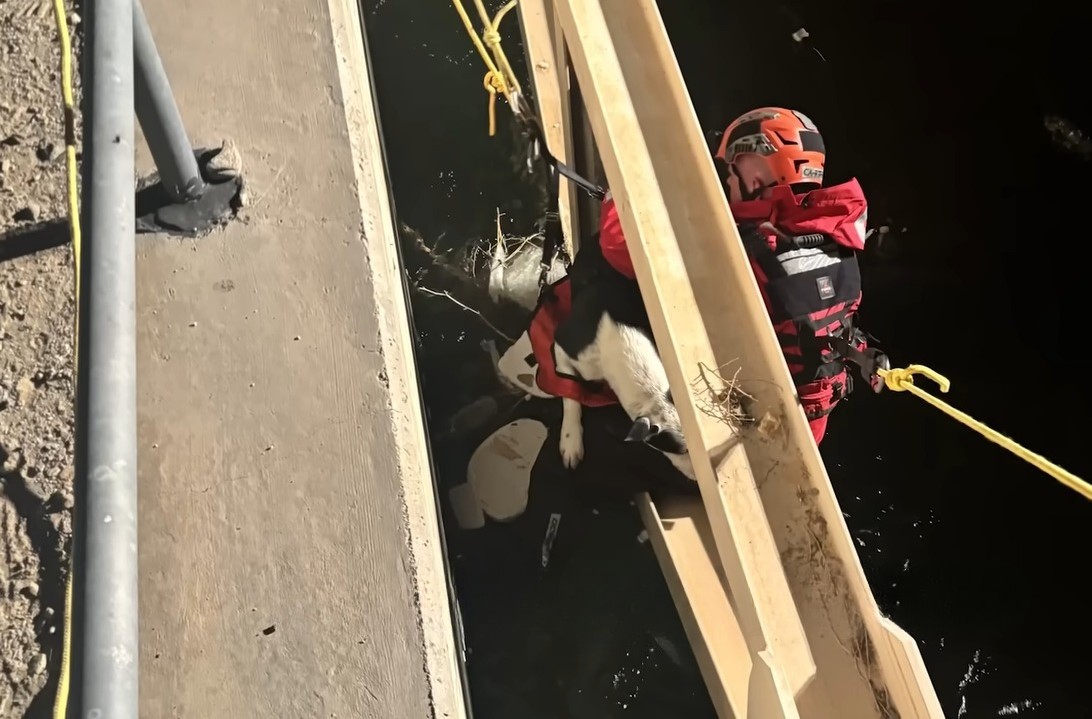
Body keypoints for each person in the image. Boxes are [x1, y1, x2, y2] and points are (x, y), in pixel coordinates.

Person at [595, 106, 888, 445]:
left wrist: (618, 194)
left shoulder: (746, 253)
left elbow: (621, 251)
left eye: (732, 175)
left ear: (754, 179)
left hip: (746, 438)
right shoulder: (838, 244)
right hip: (807, 431)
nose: (728, 183)